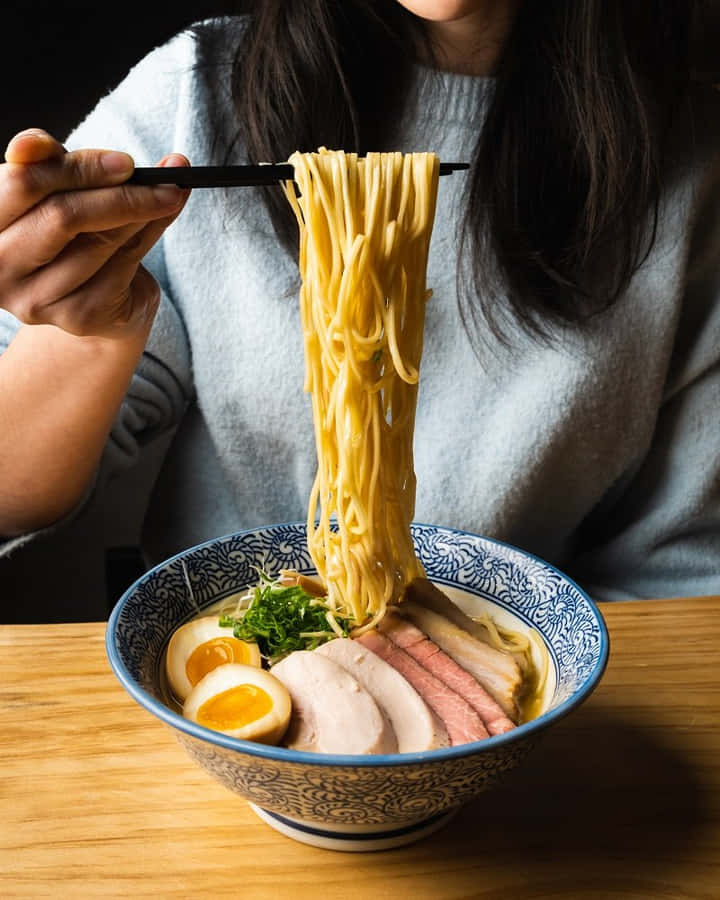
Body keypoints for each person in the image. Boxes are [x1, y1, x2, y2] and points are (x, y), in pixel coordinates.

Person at [0, 0, 718, 604]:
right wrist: (95, 324)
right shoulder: (192, 99)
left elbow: (684, 571)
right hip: (236, 665)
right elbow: (9, 491)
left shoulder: (690, 157)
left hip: (531, 699)